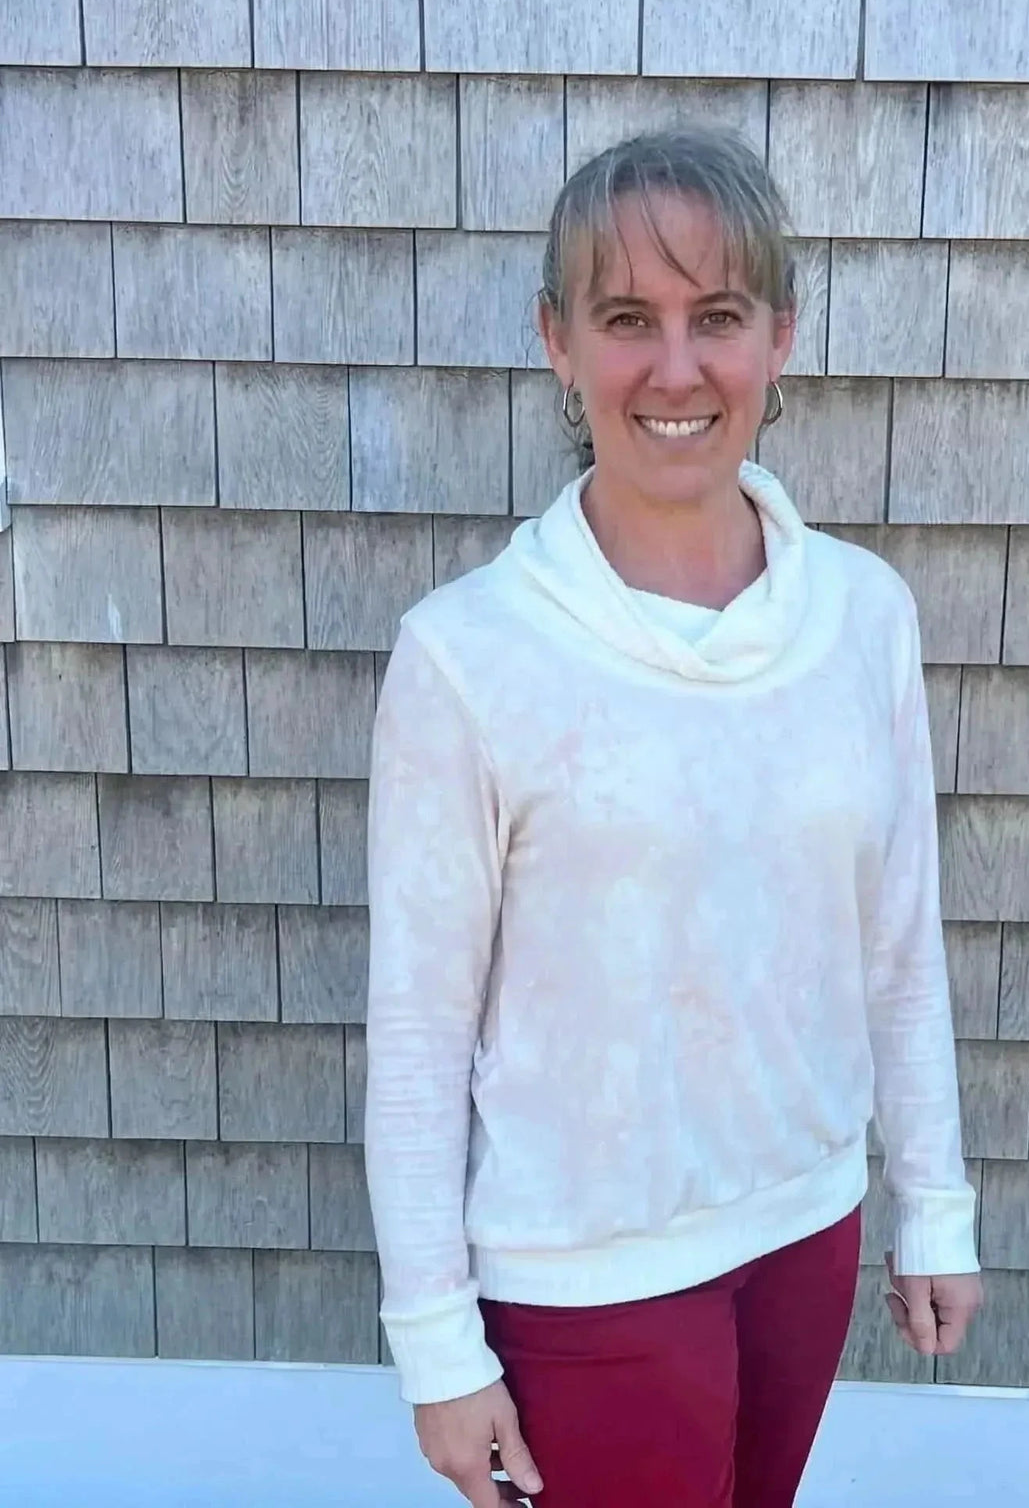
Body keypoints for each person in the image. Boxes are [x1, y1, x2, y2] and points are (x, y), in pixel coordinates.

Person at [364, 127, 983, 1508]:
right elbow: (417, 1034)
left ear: (781, 339)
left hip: (806, 1231)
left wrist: (931, 1202)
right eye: (627, 320)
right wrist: (436, 1351)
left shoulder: (861, 618)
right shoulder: (469, 656)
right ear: (558, 345)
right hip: (589, 1281)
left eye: (717, 319)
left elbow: (896, 944)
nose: (677, 368)